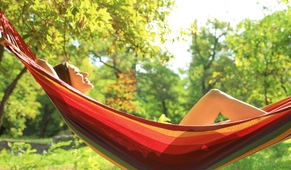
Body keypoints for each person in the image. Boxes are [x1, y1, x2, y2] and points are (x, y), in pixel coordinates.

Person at [35, 59, 266, 125]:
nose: (85, 72)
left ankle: (276, 123)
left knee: (227, 123)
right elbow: (43, 64)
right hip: (165, 155)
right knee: (214, 96)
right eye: (76, 71)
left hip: (166, 148)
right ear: (66, 84)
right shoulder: (77, 105)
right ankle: (274, 123)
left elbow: (44, 66)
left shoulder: (83, 107)